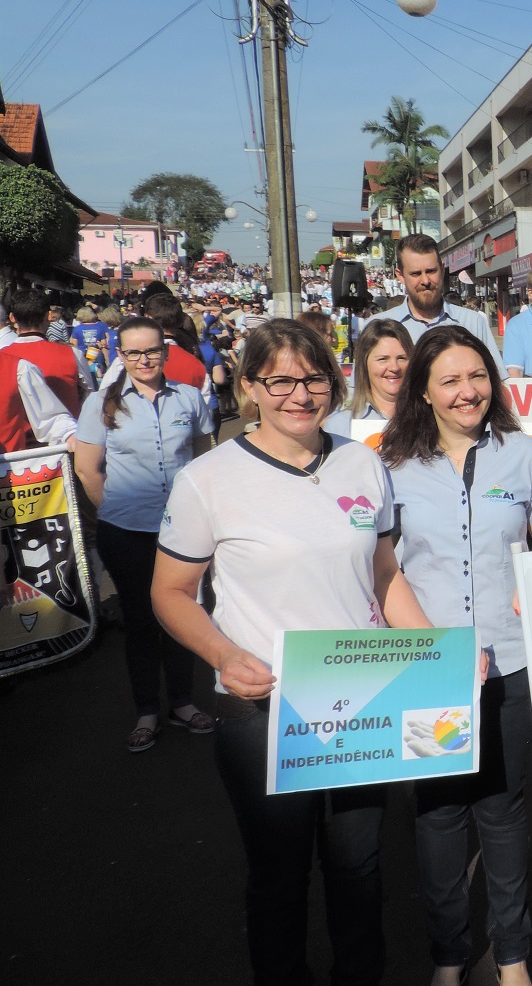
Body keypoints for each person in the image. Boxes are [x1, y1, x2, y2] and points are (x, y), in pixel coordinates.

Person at [152, 320, 434, 986]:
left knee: (359, 864)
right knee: (279, 875)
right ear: (249, 387)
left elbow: (385, 573)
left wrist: (429, 652)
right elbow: (169, 591)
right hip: (264, 708)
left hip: (360, 697)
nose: (300, 396)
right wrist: (222, 654)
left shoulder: (363, 462)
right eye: (280, 380)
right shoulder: (207, 479)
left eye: (315, 380)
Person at [382, 325, 532, 986]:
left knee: (503, 810)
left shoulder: (527, 455)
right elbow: (382, 568)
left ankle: (512, 950)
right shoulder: (391, 466)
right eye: (451, 380)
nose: (468, 391)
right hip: (431, 668)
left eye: (478, 376)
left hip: (510, 662)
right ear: (423, 392)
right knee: (438, 814)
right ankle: (449, 953)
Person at [75, 316, 215, 752]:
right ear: (120, 355)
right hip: (127, 532)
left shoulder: (189, 398)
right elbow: (87, 468)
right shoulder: (101, 404)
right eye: (133, 352)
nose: (144, 359)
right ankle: (147, 711)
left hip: (181, 533)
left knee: (183, 617)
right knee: (140, 622)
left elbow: (203, 458)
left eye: (152, 350)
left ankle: (183, 703)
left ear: (166, 351)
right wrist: (116, 510)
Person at [369, 234, 503, 368]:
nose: (425, 281)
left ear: (442, 270)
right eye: (415, 273)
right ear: (400, 275)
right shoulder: (378, 328)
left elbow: (496, 377)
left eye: (431, 271)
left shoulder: (473, 323)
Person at [5, 289, 92, 415]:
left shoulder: (4, 357)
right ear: (49, 316)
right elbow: (89, 397)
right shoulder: (72, 354)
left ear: (12, 318)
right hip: (68, 424)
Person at [327, 320, 413, 438]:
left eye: (402, 358)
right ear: (364, 365)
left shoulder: (431, 419)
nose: (394, 367)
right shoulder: (340, 426)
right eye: (383, 359)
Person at [71, 304, 112, 380]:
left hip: (83, 358)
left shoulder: (77, 329)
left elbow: (74, 346)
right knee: (99, 379)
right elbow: (104, 344)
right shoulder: (99, 327)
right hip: (98, 356)